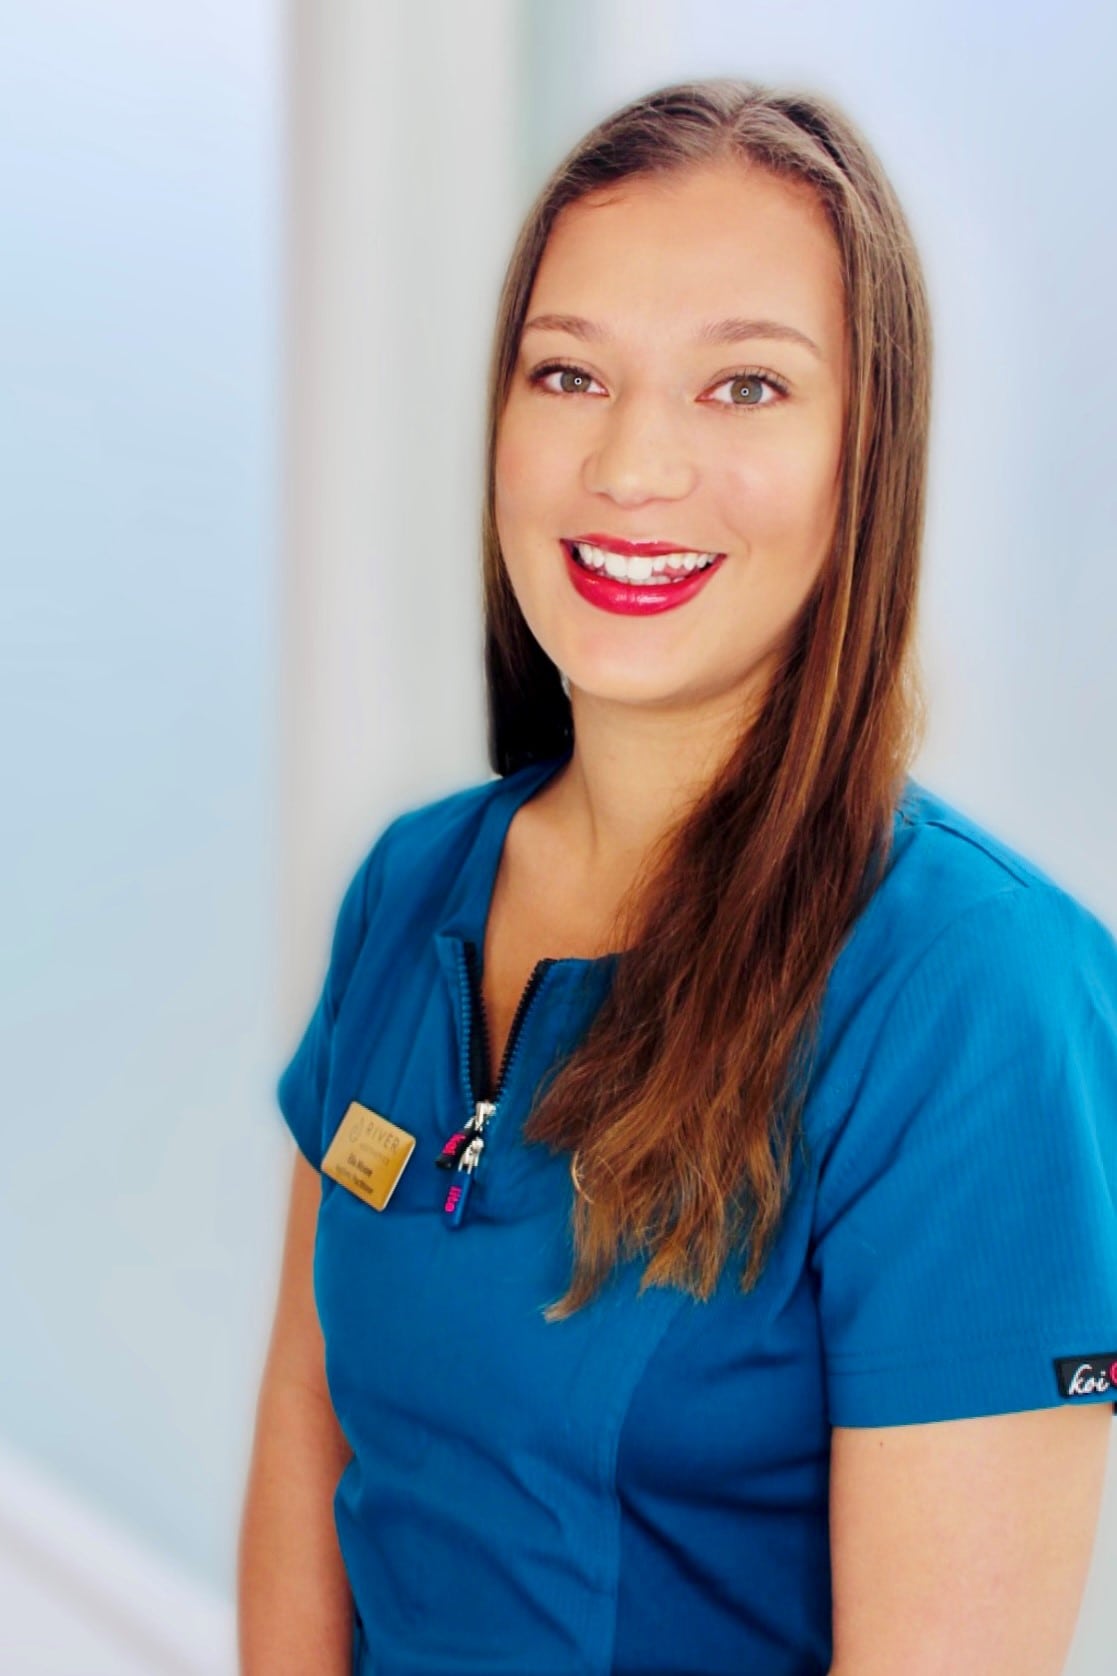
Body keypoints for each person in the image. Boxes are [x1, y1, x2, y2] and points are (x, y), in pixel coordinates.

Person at [237, 77, 1117, 1676]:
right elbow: (311, 1432)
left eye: (745, 387)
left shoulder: (979, 1002)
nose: (631, 465)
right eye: (569, 373)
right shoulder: (412, 888)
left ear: (867, 454)